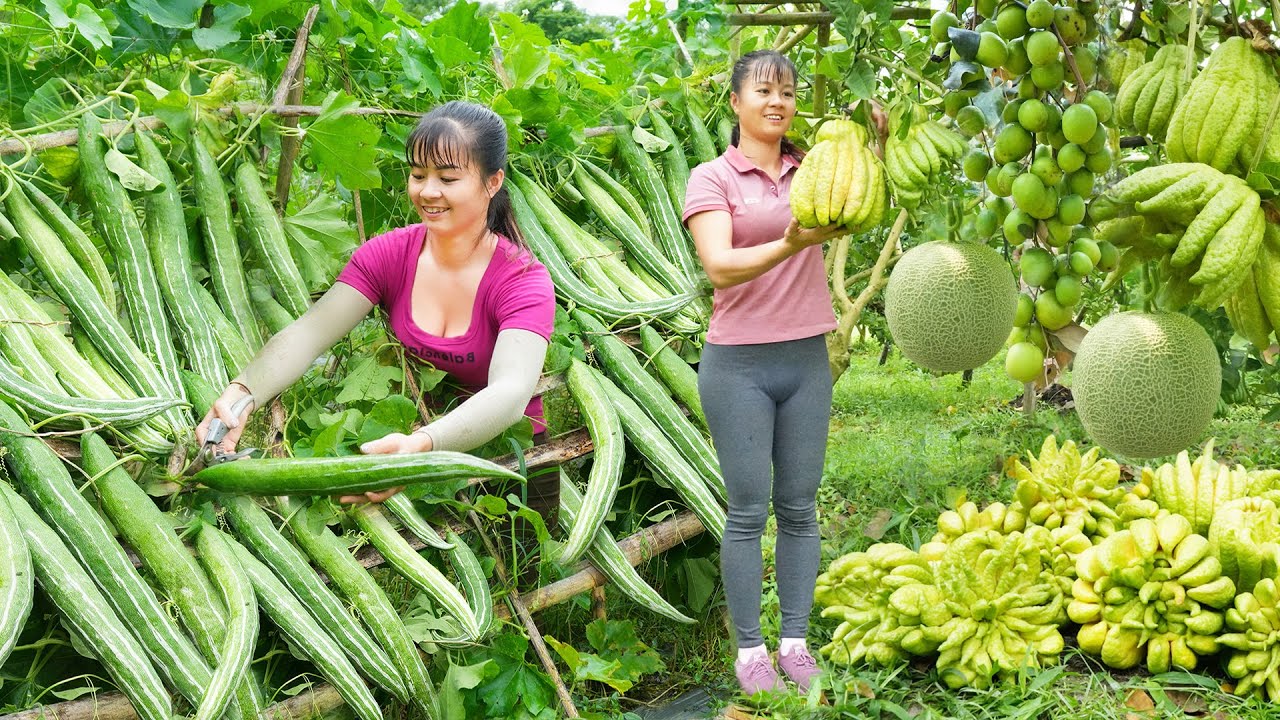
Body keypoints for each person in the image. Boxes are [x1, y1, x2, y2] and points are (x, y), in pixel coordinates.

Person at [195, 100, 558, 524]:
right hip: (417, 458)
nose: (427, 191)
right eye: (418, 174)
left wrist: (422, 445)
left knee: (527, 576)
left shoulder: (523, 280)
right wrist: (241, 395)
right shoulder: (388, 254)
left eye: (448, 178)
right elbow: (310, 334)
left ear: (492, 182)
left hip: (509, 461)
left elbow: (511, 393)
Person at [682, 50, 846, 696]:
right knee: (748, 511)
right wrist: (792, 244)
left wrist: (878, 146)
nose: (777, 101)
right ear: (736, 102)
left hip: (806, 359)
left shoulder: (812, 172)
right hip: (738, 366)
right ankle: (751, 652)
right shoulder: (712, 178)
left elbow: (857, 200)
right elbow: (719, 267)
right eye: (763, 90)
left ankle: (797, 642)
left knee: (801, 507)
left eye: (787, 91)